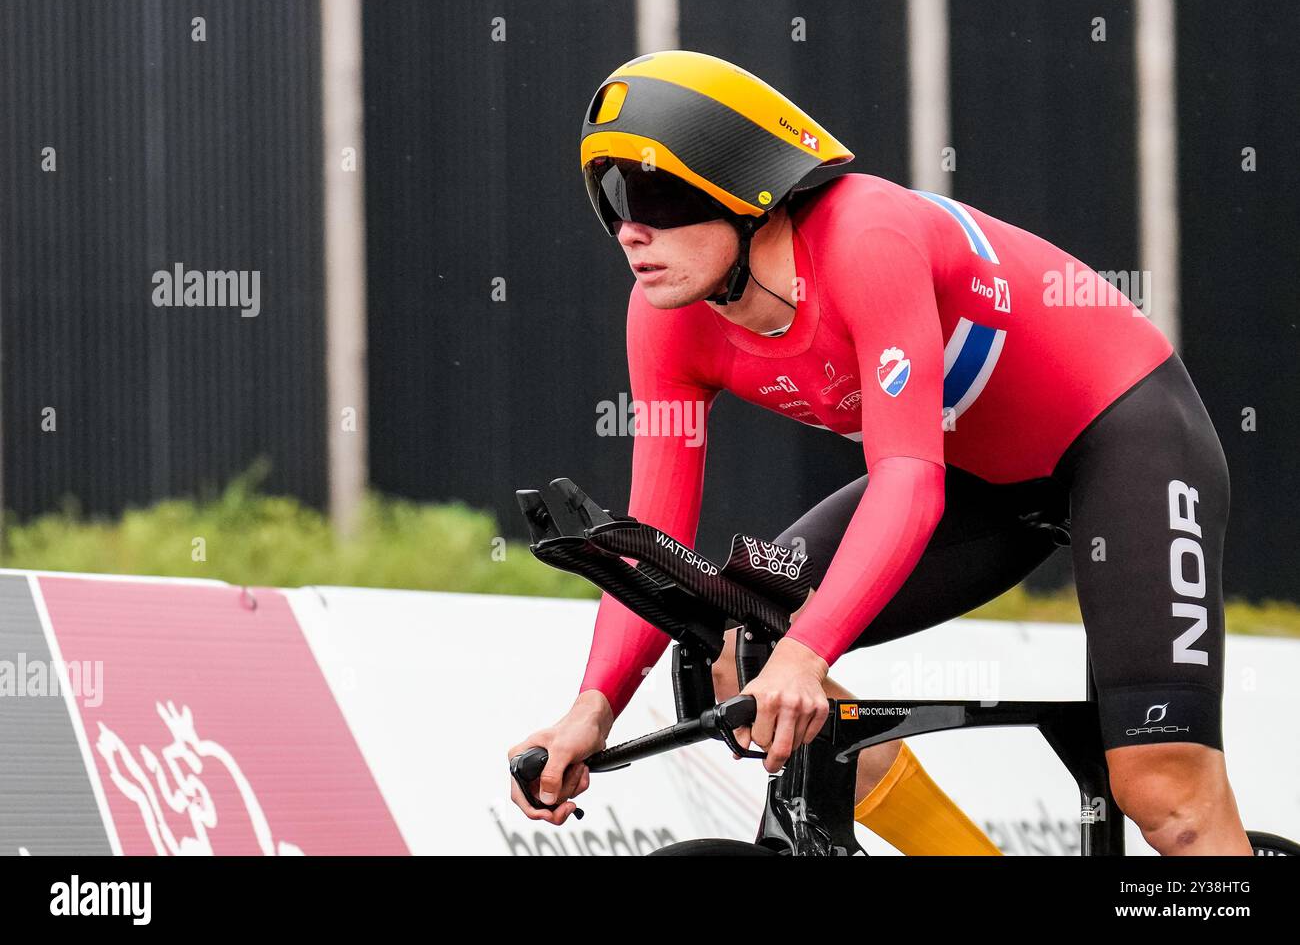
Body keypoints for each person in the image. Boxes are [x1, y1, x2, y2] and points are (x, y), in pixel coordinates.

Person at [509, 50, 1251, 855]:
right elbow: (654, 534)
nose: (630, 229)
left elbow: (907, 482)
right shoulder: (666, 318)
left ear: (752, 188)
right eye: (612, 199)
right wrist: (593, 708)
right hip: (975, 481)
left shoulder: (867, 237)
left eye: (656, 193)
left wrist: (809, 650)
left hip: (1120, 437)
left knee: (1164, 791)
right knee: (740, 641)